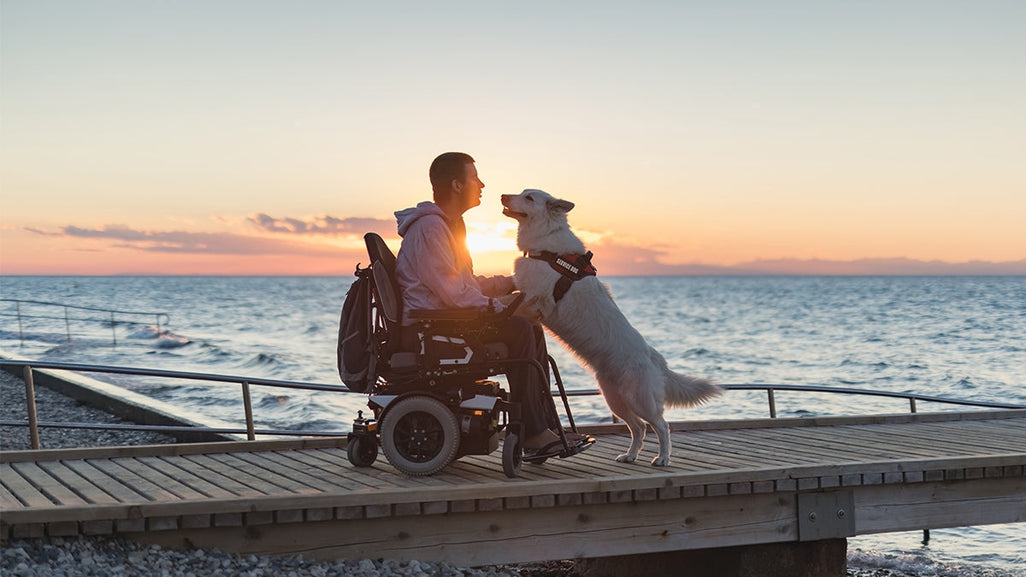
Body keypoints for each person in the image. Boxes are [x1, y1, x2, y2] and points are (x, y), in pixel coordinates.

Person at [393, 152, 575, 453]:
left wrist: (512, 283)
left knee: (529, 326)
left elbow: (463, 284)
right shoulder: (430, 228)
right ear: (455, 185)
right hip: (430, 329)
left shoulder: (449, 225)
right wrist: (502, 308)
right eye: (474, 177)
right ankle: (533, 433)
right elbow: (453, 294)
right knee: (519, 328)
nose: (481, 184)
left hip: (446, 320)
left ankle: (544, 426)